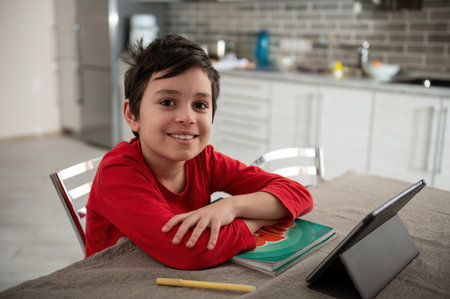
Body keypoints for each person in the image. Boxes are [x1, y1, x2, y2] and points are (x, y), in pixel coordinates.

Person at [85, 34, 313, 270]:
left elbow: (298, 195)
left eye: (200, 105)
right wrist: (257, 219)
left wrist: (230, 207)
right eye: (167, 102)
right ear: (133, 115)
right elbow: (190, 250)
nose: (187, 117)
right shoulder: (118, 172)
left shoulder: (203, 159)